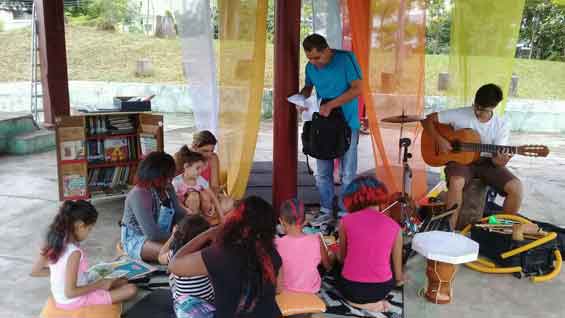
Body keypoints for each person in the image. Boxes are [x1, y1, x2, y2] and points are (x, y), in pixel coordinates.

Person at [422, 83, 523, 230]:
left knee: (517, 187)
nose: (477, 112)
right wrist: (440, 140)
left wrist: (499, 161)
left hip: (487, 163)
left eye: (483, 110)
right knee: (456, 182)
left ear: (493, 108)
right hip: (461, 162)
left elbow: (497, 160)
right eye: (476, 106)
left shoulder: (501, 124)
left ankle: (500, 231)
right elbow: (427, 120)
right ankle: (449, 230)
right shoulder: (460, 113)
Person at [169, 196, 282, 318]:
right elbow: (278, 289)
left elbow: (174, 265)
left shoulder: (220, 254)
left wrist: (208, 234)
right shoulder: (272, 254)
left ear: (235, 220)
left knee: (182, 302)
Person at [299, 33, 363, 225]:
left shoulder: (345, 59)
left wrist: (331, 105)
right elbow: (308, 87)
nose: (314, 62)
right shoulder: (310, 67)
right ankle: (326, 208)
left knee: (347, 173)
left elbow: (357, 89)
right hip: (323, 125)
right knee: (323, 172)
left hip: (347, 123)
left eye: (317, 57)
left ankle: (344, 212)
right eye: (309, 58)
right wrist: (301, 99)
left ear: (327, 50)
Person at [31, 200, 137, 309]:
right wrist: (99, 285)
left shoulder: (53, 240)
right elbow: (70, 292)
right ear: (81, 225)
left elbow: (35, 271)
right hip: (74, 300)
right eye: (89, 229)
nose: (89, 233)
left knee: (122, 281)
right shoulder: (74, 252)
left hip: (66, 295)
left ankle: (104, 285)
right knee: (131, 289)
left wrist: (60, 273)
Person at [337, 176, 404, 312]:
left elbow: (342, 258)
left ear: (352, 199)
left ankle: (360, 304)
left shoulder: (345, 221)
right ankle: (374, 304)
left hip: (351, 288)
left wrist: (332, 255)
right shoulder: (395, 226)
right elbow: (398, 276)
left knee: (334, 268)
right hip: (382, 289)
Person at [120, 151, 186, 262]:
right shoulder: (139, 194)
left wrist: (193, 223)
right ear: (154, 175)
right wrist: (179, 236)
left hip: (164, 233)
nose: (170, 180)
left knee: (191, 246)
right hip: (137, 239)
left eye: (170, 176)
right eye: (166, 177)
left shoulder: (166, 187)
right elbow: (152, 234)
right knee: (176, 254)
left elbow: (179, 214)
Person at [158, 215, 215, 316]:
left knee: (171, 274)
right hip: (208, 299)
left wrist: (172, 236)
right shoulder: (206, 255)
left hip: (183, 301)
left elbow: (160, 256)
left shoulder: (174, 255)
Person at [276, 198, 332, 294]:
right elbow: (327, 266)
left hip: (285, 293)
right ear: (305, 221)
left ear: (281, 221)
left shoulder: (277, 243)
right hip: (311, 291)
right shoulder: (317, 239)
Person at [172, 146, 226, 225]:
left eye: (201, 168)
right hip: (184, 212)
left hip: (199, 211)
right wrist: (186, 210)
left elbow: (213, 197)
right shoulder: (177, 182)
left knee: (205, 194)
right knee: (194, 196)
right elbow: (174, 201)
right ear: (186, 166)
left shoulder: (200, 179)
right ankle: (192, 223)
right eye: (198, 168)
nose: (200, 171)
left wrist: (222, 217)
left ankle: (204, 219)